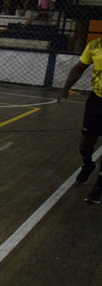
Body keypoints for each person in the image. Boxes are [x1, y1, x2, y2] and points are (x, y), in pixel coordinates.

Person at [58, 37, 102, 203]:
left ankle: (99, 187)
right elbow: (79, 67)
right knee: (86, 142)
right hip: (97, 100)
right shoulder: (95, 46)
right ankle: (88, 164)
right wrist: (66, 88)